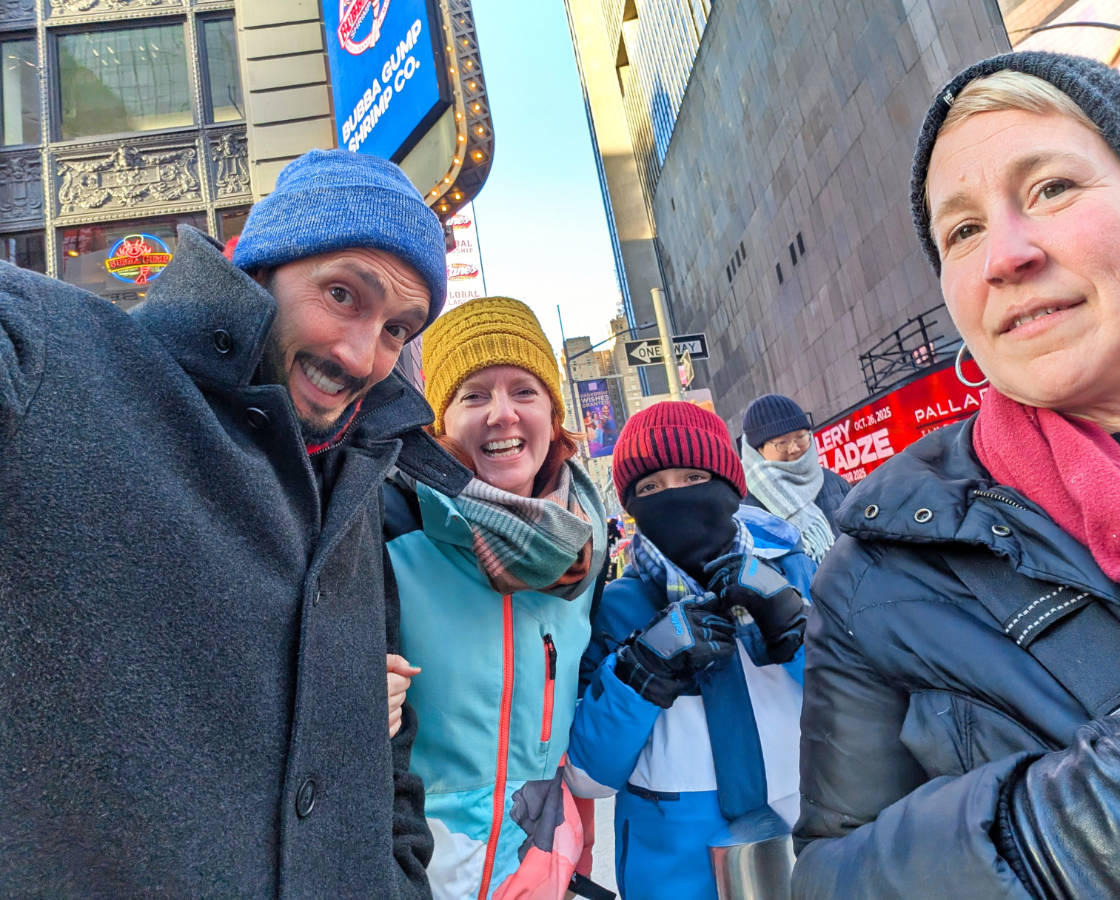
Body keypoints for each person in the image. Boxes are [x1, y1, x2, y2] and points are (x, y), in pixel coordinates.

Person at [0, 149, 466, 895]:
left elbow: (389, 766)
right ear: (260, 269)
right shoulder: (56, 355)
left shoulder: (353, 481)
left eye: (396, 330)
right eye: (343, 294)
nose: (363, 355)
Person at [792, 51, 1120, 898]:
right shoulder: (876, 576)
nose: (1003, 257)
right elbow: (828, 875)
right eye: (963, 232)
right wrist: (1053, 839)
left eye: (1051, 188)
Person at [383, 297, 609, 899]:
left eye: (524, 392)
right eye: (474, 395)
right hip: (414, 871)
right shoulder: (388, 526)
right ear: (440, 421)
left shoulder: (586, 548)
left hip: (536, 870)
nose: (502, 414)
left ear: (553, 415)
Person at [566, 401, 816, 899]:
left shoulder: (792, 571)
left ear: (728, 485)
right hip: (672, 875)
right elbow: (587, 777)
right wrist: (639, 674)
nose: (673, 496)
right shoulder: (616, 608)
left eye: (693, 477)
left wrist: (797, 628)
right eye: (650, 488)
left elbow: (863, 704)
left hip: (808, 847)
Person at [740, 393, 850, 561]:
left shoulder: (835, 483)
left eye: (801, 437)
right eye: (782, 443)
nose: (794, 448)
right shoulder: (744, 503)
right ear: (757, 449)